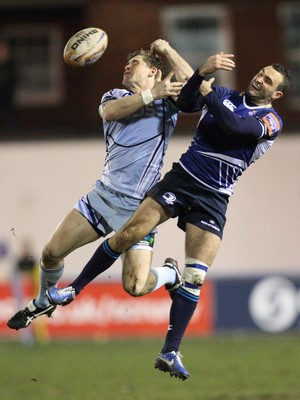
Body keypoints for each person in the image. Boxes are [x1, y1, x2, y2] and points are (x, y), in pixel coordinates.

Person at [41, 52, 290, 380]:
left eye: (268, 80)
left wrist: (204, 89)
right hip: (182, 178)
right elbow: (188, 101)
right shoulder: (226, 95)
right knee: (128, 234)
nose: (259, 78)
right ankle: (74, 290)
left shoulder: (271, 121)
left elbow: (234, 125)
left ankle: (170, 351)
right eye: (260, 71)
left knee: (196, 276)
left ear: (277, 95)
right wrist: (200, 76)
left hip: (215, 197)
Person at [7, 39, 193, 330]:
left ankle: (170, 274)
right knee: (50, 253)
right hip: (103, 197)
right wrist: (151, 93)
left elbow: (195, 85)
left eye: (136, 64)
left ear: (154, 72)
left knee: (135, 286)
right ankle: (44, 301)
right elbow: (110, 113)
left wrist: (168, 51)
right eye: (126, 63)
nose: (127, 66)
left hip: (141, 209)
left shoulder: (169, 102)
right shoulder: (115, 95)